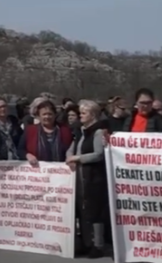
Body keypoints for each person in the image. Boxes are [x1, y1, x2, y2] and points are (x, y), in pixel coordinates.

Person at [67, 100, 107, 258]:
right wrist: (69, 156)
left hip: (94, 177)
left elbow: (98, 154)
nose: (80, 115)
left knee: (95, 210)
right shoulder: (81, 131)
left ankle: (98, 245)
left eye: (84, 113)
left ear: (93, 115)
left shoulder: (98, 132)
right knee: (83, 210)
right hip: (80, 176)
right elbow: (72, 148)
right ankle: (86, 242)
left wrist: (78, 158)